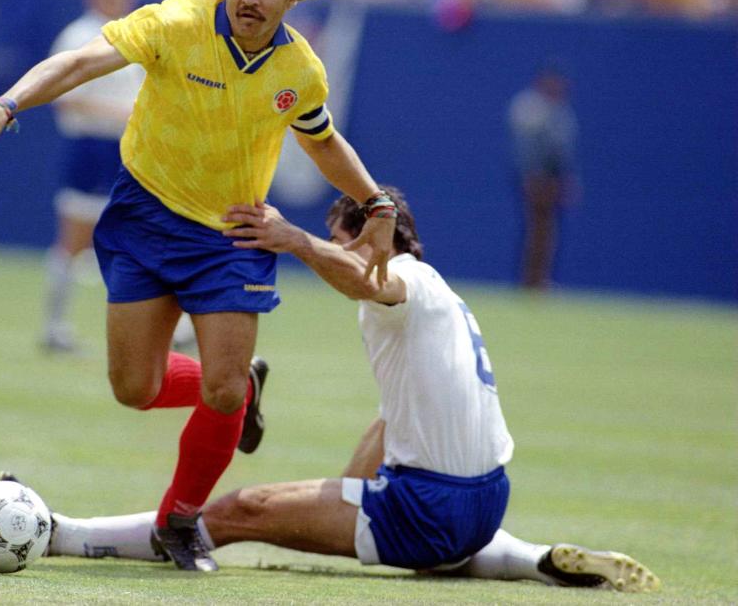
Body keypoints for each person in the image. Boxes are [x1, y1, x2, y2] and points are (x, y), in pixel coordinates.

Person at [0, 0, 397, 571]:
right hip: (144, 220)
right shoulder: (175, 21)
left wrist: (376, 203)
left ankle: (180, 521)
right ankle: (244, 387)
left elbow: (324, 142)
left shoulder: (298, 69)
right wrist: (9, 102)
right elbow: (82, 62)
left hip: (231, 237)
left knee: (219, 389)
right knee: (135, 387)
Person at [36, 187, 660, 593]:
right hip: (485, 501)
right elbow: (391, 421)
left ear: (375, 241)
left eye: (339, 241)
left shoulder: (401, 280)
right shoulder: (441, 296)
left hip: (429, 505)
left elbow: (366, 279)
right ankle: (536, 559)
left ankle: (62, 532)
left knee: (233, 512)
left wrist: (294, 240)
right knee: (422, 544)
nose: (331, 256)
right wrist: (340, 500)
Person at [39, 0, 195, 354]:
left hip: (135, 150)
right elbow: (65, 99)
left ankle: (169, 329)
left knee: (154, 235)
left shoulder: (139, 35)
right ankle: (54, 327)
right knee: (74, 240)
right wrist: (123, 114)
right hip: (93, 148)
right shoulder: (78, 35)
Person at [507, 63, 579, 289]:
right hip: (538, 178)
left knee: (547, 232)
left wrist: (566, 179)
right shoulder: (531, 107)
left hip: (552, 178)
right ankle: (532, 279)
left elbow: (563, 152)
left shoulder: (560, 110)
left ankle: (539, 279)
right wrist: (531, 176)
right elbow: (529, 149)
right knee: (538, 230)